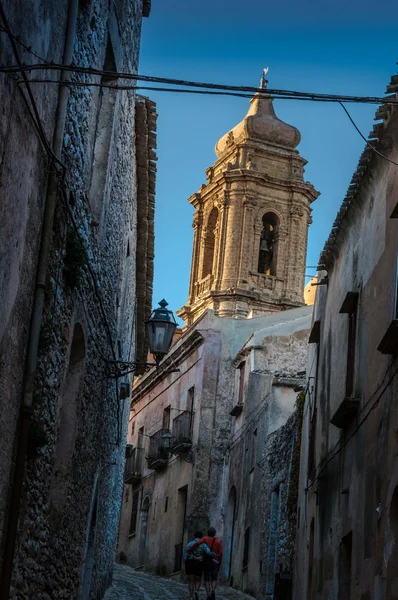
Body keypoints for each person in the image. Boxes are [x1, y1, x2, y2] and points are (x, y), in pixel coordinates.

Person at [188, 527, 223, 600]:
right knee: (214, 578)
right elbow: (220, 553)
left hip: (206, 561)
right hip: (215, 562)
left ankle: (208, 595)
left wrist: (190, 549)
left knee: (206, 578)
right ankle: (213, 590)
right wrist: (219, 561)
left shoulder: (204, 539)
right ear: (214, 534)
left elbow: (197, 543)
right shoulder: (218, 542)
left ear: (208, 533)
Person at [183, 530, 217, 600]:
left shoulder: (189, 544)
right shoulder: (203, 544)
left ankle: (191, 596)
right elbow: (208, 552)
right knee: (198, 579)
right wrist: (215, 555)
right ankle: (196, 591)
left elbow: (185, 554)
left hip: (189, 562)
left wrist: (185, 561)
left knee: (191, 580)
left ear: (194, 536)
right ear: (201, 537)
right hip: (198, 563)